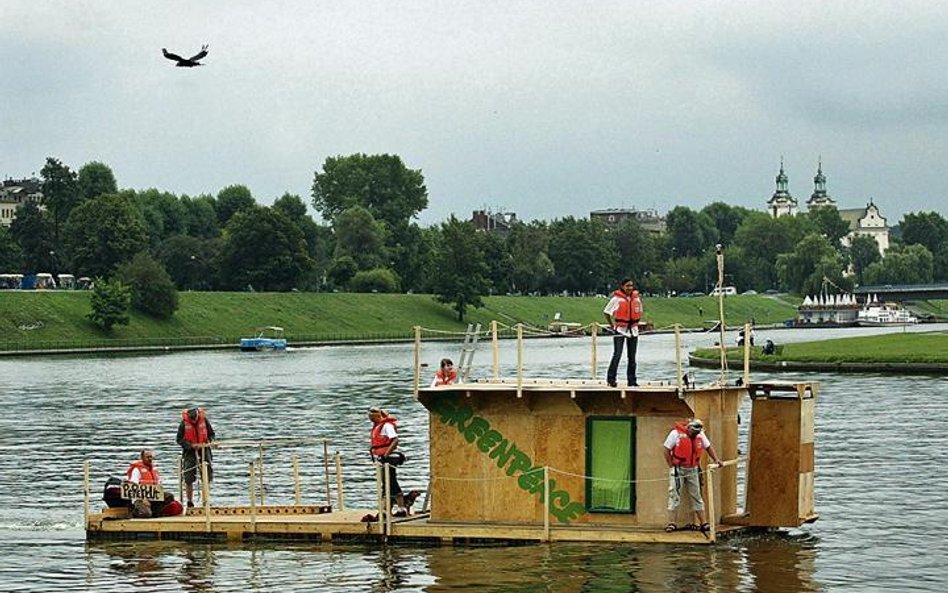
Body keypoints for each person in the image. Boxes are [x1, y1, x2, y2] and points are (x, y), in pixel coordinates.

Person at [663, 418, 723, 533]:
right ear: (689, 428)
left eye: (697, 433)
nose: (695, 435)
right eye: (693, 432)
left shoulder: (700, 435)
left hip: (693, 468)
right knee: (674, 494)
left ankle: (703, 522)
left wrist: (716, 460)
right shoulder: (676, 434)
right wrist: (671, 465)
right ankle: (672, 523)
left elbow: (708, 447)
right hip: (678, 469)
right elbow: (666, 449)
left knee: (696, 494)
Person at [368, 407, 408, 516]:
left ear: (378, 416)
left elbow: (395, 440)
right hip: (382, 457)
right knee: (385, 482)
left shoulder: (387, 426)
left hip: (390, 457)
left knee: (391, 481)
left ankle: (401, 509)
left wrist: (386, 455)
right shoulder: (377, 426)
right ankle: (386, 510)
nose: (370, 418)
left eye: (372, 416)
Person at [603, 278, 642, 387]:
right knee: (617, 354)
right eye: (627, 286)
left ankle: (632, 380)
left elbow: (639, 311)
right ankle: (611, 379)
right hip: (620, 330)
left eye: (631, 286)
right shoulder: (617, 299)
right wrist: (612, 325)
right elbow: (606, 312)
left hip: (633, 331)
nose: (629, 288)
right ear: (622, 286)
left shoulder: (636, 299)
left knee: (632, 357)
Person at [176, 407, 216, 508]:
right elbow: (179, 439)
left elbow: (211, 434)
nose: (194, 421)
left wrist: (210, 441)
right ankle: (189, 501)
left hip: (204, 450)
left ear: (198, 415)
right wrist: (190, 446)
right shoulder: (183, 424)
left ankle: (206, 500)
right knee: (188, 476)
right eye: (192, 419)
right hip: (189, 453)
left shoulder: (204, 420)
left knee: (207, 475)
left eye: (195, 418)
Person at [126, 449, 181, 517]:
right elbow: (133, 487)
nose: (150, 459)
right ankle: (134, 510)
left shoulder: (154, 469)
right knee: (146, 514)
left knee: (169, 496)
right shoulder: (137, 470)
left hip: (154, 496)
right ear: (142, 458)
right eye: (147, 457)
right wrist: (143, 499)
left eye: (151, 457)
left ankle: (155, 510)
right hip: (140, 498)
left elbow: (158, 484)